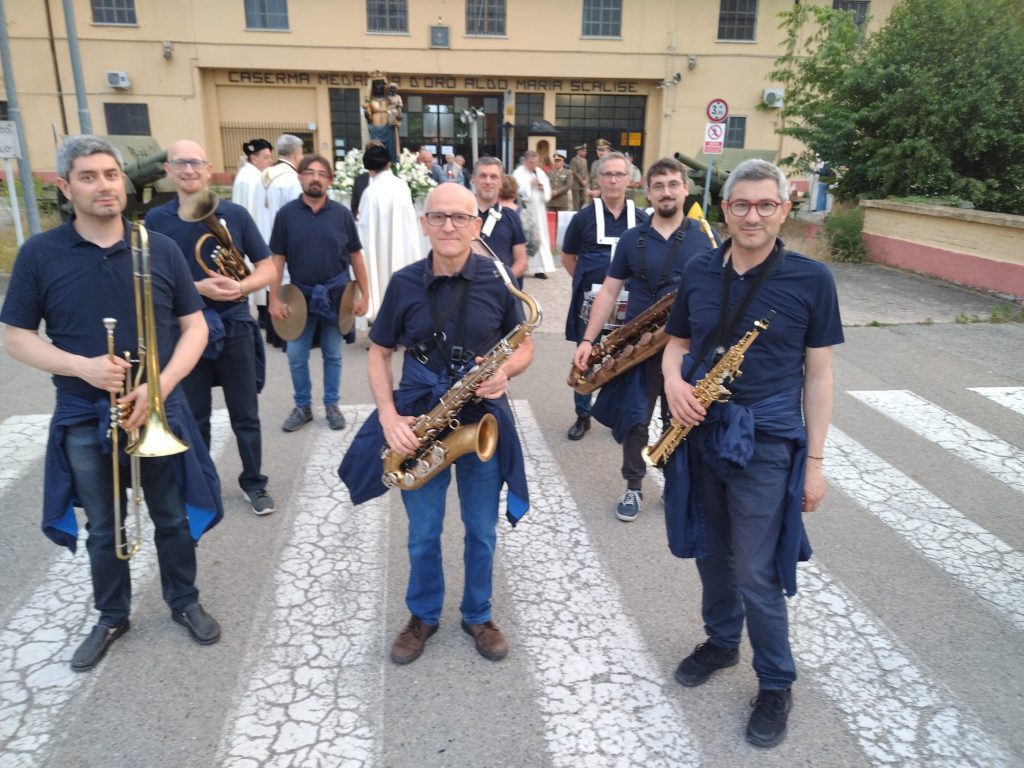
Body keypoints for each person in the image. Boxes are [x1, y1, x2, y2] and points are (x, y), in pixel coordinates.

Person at [1, 135, 224, 670]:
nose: (104, 186)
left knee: (171, 516)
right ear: (65, 187)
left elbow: (194, 327)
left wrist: (160, 386)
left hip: (157, 405)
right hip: (84, 411)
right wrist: (81, 366)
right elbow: (15, 336)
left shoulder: (159, 248)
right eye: (88, 177)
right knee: (104, 526)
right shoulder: (40, 254)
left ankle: (184, 600)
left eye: (110, 174)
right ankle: (112, 614)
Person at [660, 158, 843, 748]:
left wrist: (815, 464)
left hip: (766, 441)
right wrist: (674, 383)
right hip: (702, 431)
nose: (753, 216)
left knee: (757, 569)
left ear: (784, 210)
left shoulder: (812, 280)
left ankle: (776, 681)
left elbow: (819, 376)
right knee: (711, 549)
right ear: (725, 210)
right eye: (741, 204)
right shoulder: (699, 269)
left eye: (766, 205)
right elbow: (676, 343)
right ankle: (721, 642)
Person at [338, 183, 534, 666]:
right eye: (439, 217)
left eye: (460, 217)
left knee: (481, 530)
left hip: (480, 420)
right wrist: (388, 416)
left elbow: (524, 344)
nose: (449, 226)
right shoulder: (404, 282)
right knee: (423, 533)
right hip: (420, 419)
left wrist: (505, 372)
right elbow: (380, 352)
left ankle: (478, 613)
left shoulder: (499, 281)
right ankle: (423, 615)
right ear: (424, 224)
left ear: (476, 225)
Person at [145, 139, 279, 515]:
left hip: (234, 324)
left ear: (208, 169)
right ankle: (201, 485)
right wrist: (196, 288)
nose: (189, 170)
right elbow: (151, 278)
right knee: (195, 416)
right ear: (168, 171)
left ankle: (254, 483)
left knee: (245, 414)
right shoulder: (156, 220)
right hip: (186, 331)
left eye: (196, 163)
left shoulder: (235, 214)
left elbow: (267, 267)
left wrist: (243, 286)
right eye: (180, 163)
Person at [572, 157, 709, 521]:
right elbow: (608, 292)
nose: (666, 192)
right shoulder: (632, 239)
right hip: (639, 346)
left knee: (680, 421)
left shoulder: (704, 238)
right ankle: (634, 485)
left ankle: (675, 484)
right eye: (658, 186)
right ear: (648, 191)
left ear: (685, 189)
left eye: (673, 184)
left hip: (686, 348)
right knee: (635, 420)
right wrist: (588, 340)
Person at [268, 154, 370, 432]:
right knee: (295, 355)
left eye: (322, 174)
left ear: (330, 180)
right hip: (299, 297)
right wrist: (273, 298)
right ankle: (303, 406)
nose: (315, 178)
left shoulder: (342, 215)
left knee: (333, 354)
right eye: (310, 172)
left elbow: (356, 256)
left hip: (337, 297)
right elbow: (277, 259)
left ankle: (331, 404)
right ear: (300, 177)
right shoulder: (286, 215)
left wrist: (365, 294)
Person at [561, 151, 647, 441]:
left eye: (619, 174)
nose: (613, 180)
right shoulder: (583, 218)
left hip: (630, 304)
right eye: (607, 174)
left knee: (625, 357)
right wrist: (587, 285)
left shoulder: (641, 219)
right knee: (585, 357)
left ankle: (617, 414)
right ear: (598, 179)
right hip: (591, 305)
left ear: (628, 179)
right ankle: (583, 414)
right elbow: (568, 257)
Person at [356, 144, 420, 321]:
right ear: (388, 164)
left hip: (377, 250)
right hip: (402, 247)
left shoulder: (370, 193)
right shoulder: (402, 187)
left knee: (379, 278)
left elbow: (364, 231)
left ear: (370, 169)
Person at [473, 156, 528, 282]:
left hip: (502, 289)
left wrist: (502, 284)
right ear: (473, 179)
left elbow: (522, 262)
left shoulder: (512, 217)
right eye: (482, 176)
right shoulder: (460, 216)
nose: (488, 181)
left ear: (501, 182)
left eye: (493, 177)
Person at [512, 150, 556, 278]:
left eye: (536, 163)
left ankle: (540, 268)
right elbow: (516, 191)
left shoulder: (540, 172)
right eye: (531, 163)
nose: (533, 165)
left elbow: (547, 190)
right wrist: (529, 185)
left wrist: (543, 189)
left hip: (539, 210)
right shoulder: (518, 172)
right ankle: (522, 266)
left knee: (541, 236)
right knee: (526, 237)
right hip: (526, 210)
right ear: (525, 161)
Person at [231, 138, 273, 214]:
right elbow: (253, 210)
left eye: (270, 157)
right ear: (254, 159)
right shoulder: (253, 179)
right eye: (266, 157)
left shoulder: (245, 174)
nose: (270, 161)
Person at [569, 144, 589, 210]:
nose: (585, 153)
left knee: (583, 200)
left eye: (585, 151)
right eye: (584, 151)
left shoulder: (585, 160)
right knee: (576, 202)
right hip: (576, 185)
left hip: (583, 185)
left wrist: (586, 180)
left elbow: (586, 172)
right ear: (579, 151)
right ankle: (576, 213)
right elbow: (574, 172)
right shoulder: (574, 160)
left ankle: (578, 211)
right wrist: (581, 181)